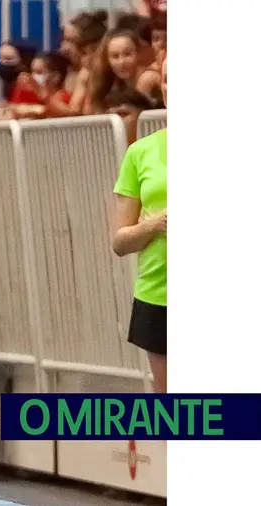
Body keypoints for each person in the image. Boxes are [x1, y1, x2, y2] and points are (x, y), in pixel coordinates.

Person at [111, 57, 167, 393]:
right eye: (168, 78)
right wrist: (155, 224)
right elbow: (120, 241)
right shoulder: (140, 152)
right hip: (159, 295)